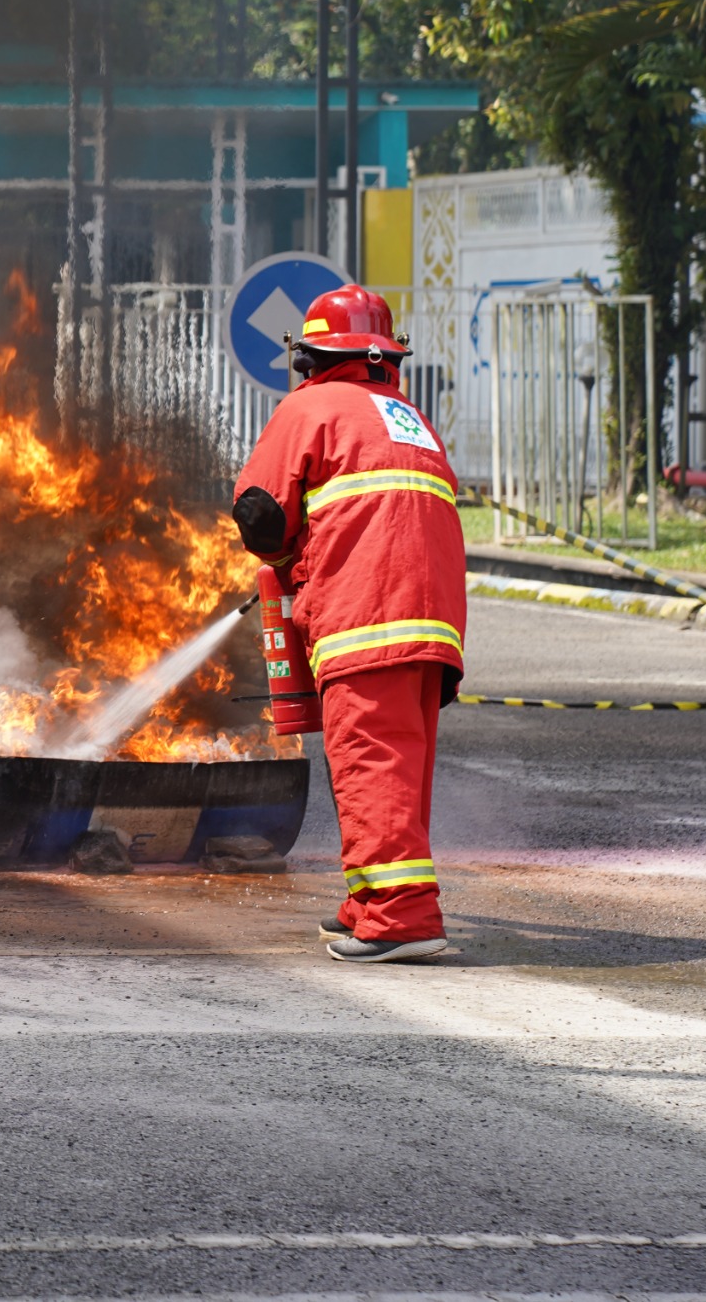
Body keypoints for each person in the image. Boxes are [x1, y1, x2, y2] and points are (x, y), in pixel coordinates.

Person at [229, 285, 465, 964]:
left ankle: (399, 918)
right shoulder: (409, 418)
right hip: (434, 621)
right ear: (383, 359)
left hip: (367, 611)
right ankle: (370, 898)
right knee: (402, 766)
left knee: (371, 762)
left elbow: (262, 515)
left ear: (311, 360)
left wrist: (282, 561)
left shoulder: (310, 409)